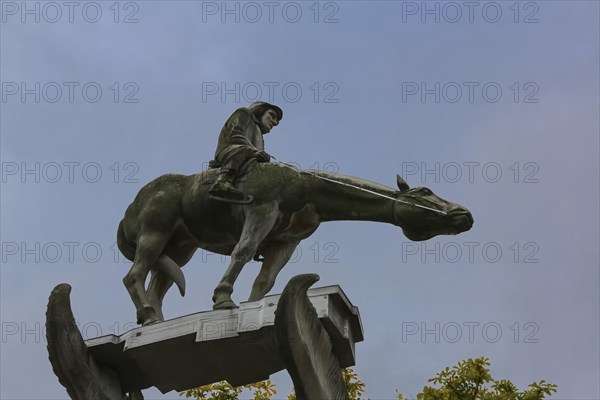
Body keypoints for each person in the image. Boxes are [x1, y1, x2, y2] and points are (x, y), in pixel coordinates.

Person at [208, 101, 283, 203]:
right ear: (260, 110)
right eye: (272, 115)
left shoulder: (259, 135)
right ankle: (222, 182)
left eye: (277, 122)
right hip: (230, 150)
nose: (274, 122)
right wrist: (253, 151)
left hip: (248, 156)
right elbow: (235, 133)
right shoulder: (244, 113)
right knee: (243, 150)